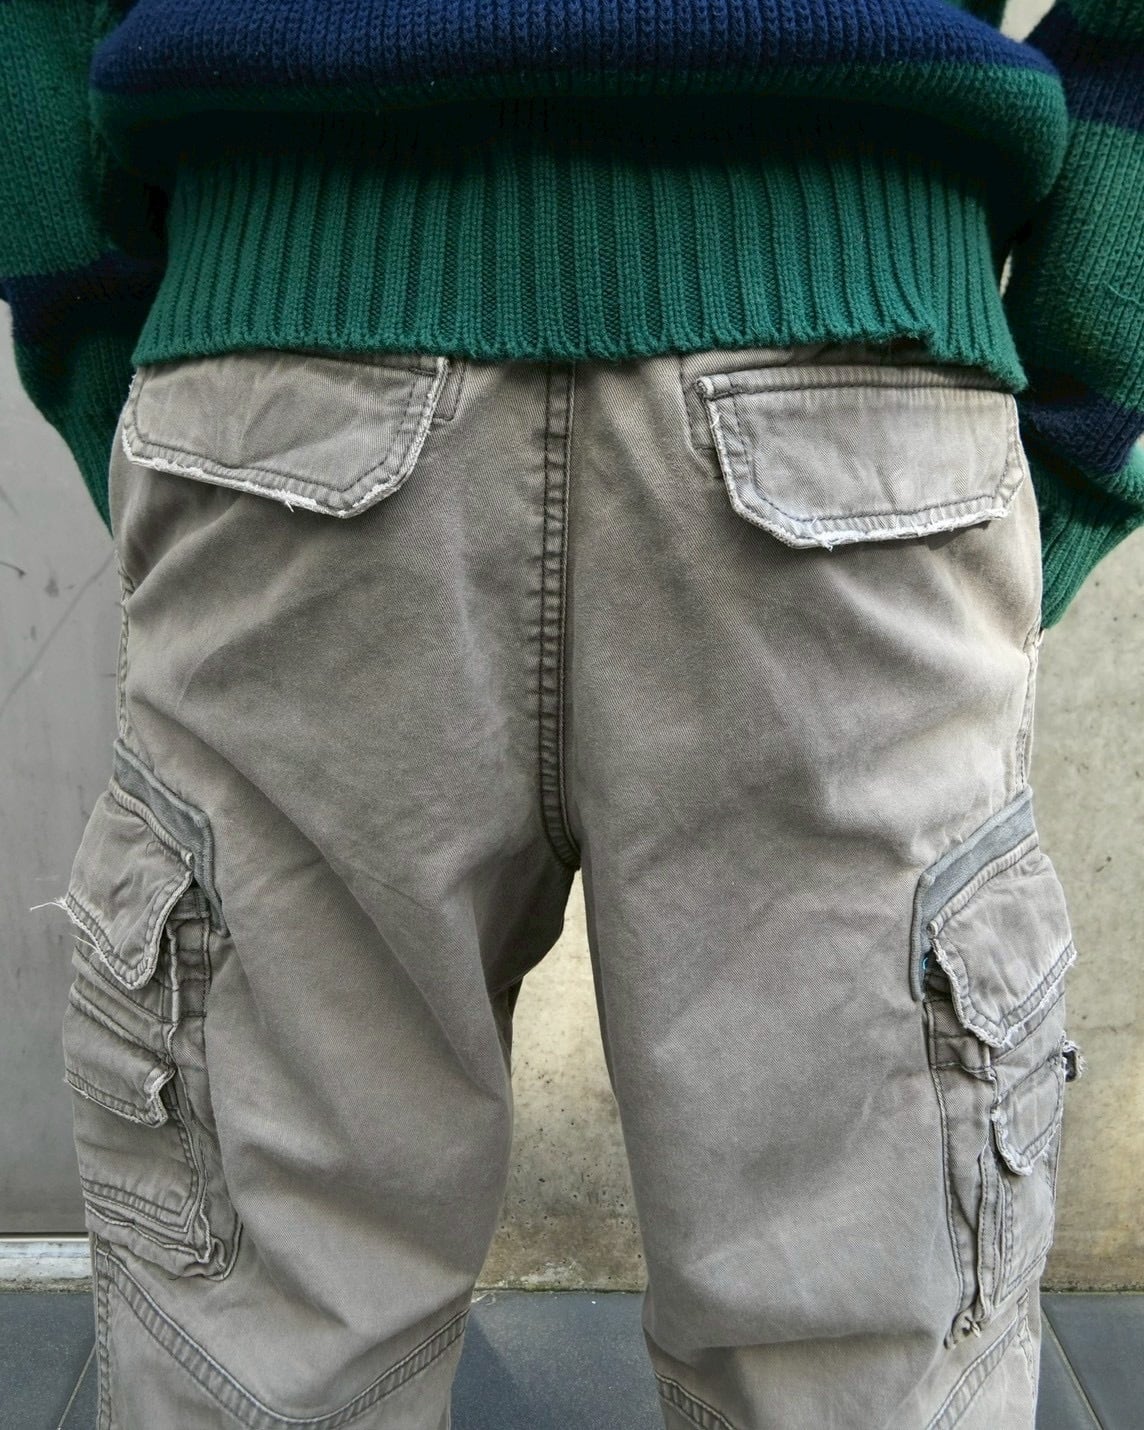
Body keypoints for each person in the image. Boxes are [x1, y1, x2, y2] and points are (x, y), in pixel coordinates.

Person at [1, 3, 1140, 1427]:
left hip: (292, 357)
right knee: (865, 1361)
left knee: (259, 1343)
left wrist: (128, 362)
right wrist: (1081, 418)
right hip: (852, 377)